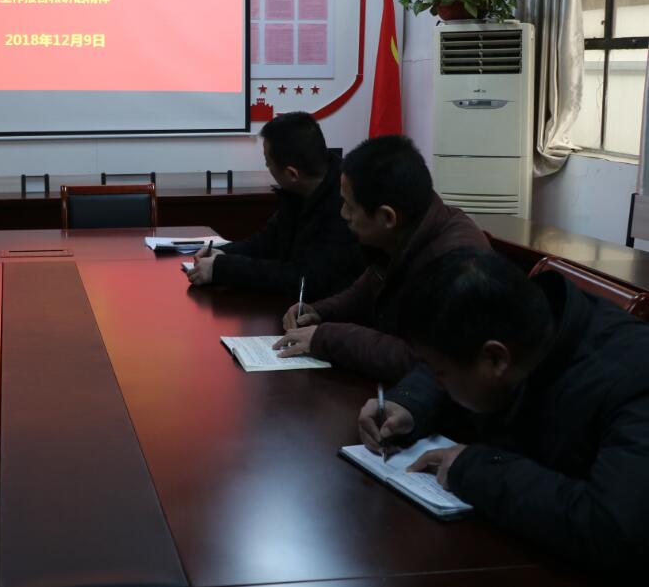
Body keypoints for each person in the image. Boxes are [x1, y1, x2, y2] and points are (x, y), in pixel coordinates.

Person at [357, 248, 649, 574]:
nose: (436, 382)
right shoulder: (525, 323)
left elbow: (612, 528)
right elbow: (452, 356)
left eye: (439, 374)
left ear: (496, 359)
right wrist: (409, 403)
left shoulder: (635, 380)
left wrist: (476, 468)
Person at [274, 135, 489, 383]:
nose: (343, 214)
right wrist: (319, 311)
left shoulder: (456, 264)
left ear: (387, 217)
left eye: (350, 206)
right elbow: (366, 290)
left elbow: (425, 363)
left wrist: (326, 337)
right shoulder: (409, 225)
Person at [185, 112, 362, 299]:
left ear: (292, 174)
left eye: (268, 163)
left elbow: (304, 279)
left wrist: (221, 268)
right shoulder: (298, 191)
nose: (267, 167)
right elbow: (266, 243)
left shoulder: (345, 205)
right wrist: (222, 253)